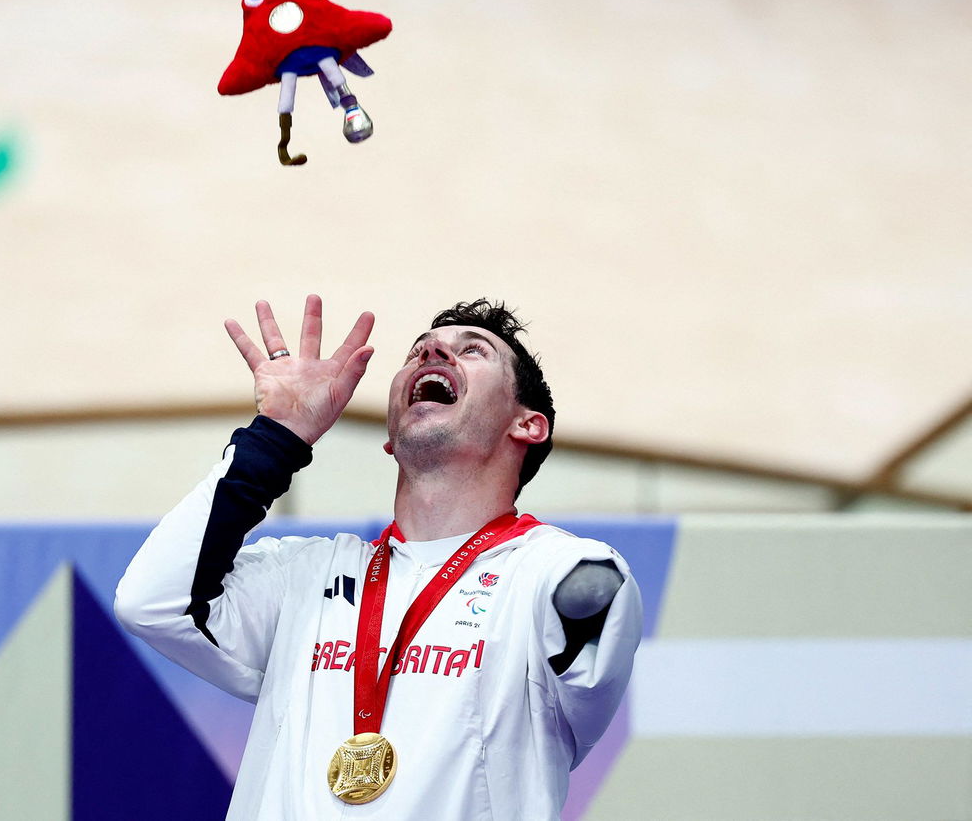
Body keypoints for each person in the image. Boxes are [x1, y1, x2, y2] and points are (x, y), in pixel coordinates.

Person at [115, 295, 642, 821]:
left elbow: (592, 630)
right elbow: (152, 601)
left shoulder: (555, 573)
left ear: (528, 425)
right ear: (390, 440)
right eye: (418, 352)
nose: (433, 350)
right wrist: (277, 439)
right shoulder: (305, 576)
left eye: (474, 350)